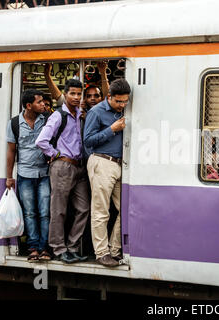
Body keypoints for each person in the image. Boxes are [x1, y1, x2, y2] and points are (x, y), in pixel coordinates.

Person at [35, 79, 90, 264]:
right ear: (65, 94)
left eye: (78, 94)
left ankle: (72, 247)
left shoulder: (80, 113)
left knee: (83, 208)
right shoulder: (58, 115)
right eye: (72, 93)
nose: (76, 97)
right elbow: (41, 141)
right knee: (59, 210)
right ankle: (59, 249)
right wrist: (55, 154)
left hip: (79, 166)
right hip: (63, 166)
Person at [83, 79, 130, 267]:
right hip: (101, 162)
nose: (122, 105)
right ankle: (102, 253)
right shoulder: (96, 112)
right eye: (119, 101)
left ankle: (115, 249)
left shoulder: (123, 109)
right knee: (101, 212)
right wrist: (111, 130)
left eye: (125, 101)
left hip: (119, 164)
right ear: (108, 97)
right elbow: (87, 141)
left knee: (125, 209)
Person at [5, 89, 51, 262]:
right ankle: (33, 247)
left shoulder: (46, 119)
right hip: (24, 174)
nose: (43, 105)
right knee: (30, 212)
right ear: (29, 105)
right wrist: (9, 177)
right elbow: (11, 151)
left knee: (45, 212)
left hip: (44, 173)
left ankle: (44, 247)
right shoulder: (15, 123)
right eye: (39, 102)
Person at [44, 61, 109, 108]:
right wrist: (47, 75)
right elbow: (58, 97)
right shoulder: (77, 108)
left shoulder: (104, 108)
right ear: (84, 98)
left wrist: (103, 73)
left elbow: (107, 94)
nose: (92, 99)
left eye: (96, 96)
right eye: (89, 96)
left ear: (101, 98)